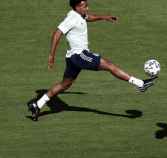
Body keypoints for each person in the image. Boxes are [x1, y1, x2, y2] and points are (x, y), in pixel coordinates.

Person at [27, 0, 157, 121]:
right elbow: (57, 33)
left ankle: (37, 104)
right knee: (109, 65)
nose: (87, 8)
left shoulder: (79, 15)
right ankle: (140, 84)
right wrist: (51, 55)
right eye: (84, 6)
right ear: (77, 7)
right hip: (80, 55)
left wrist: (104, 17)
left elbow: (88, 17)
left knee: (65, 85)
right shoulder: (71, 18)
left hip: (72, 58)